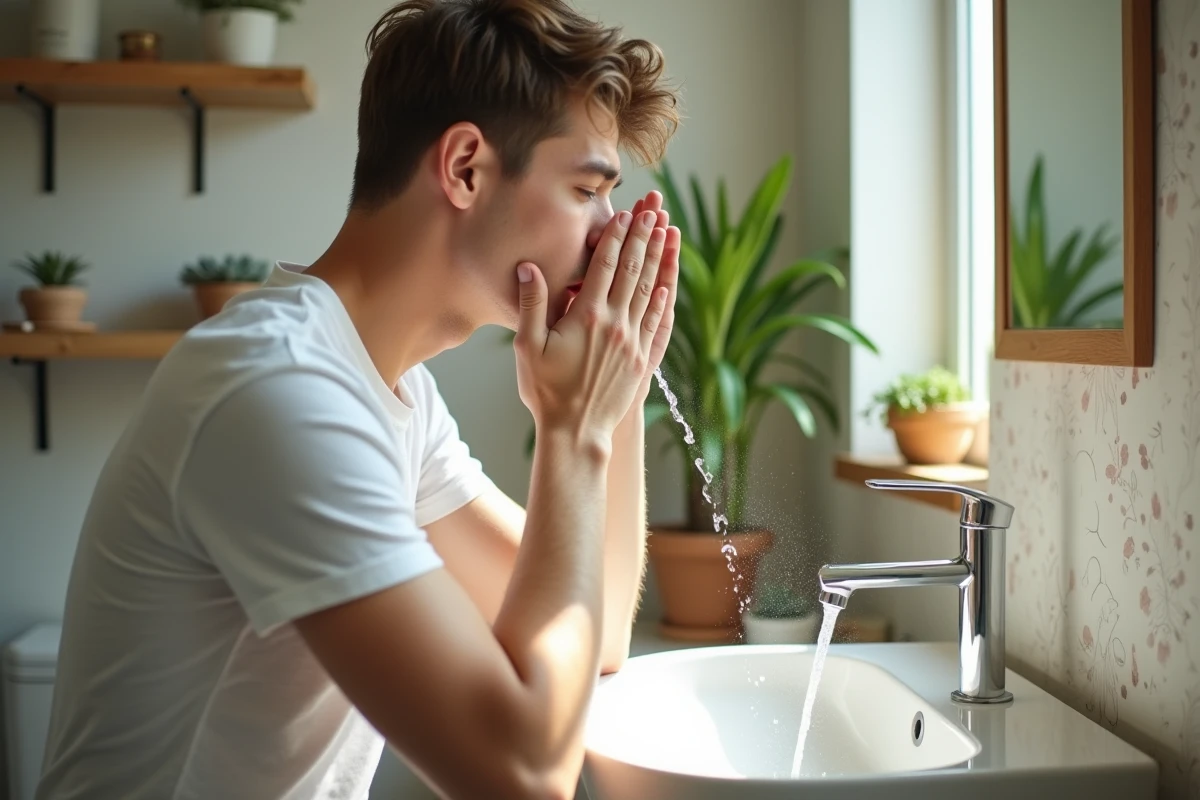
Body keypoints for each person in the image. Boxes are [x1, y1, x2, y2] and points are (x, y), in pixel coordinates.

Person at [33, 0, 682, 798]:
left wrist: (615, 393)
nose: (610, 232)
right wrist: (572, 430)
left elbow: (597, 633)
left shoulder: (395, 393)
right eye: (587, 189)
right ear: (465, 168)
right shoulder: (277, 388)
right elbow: (521, 775)